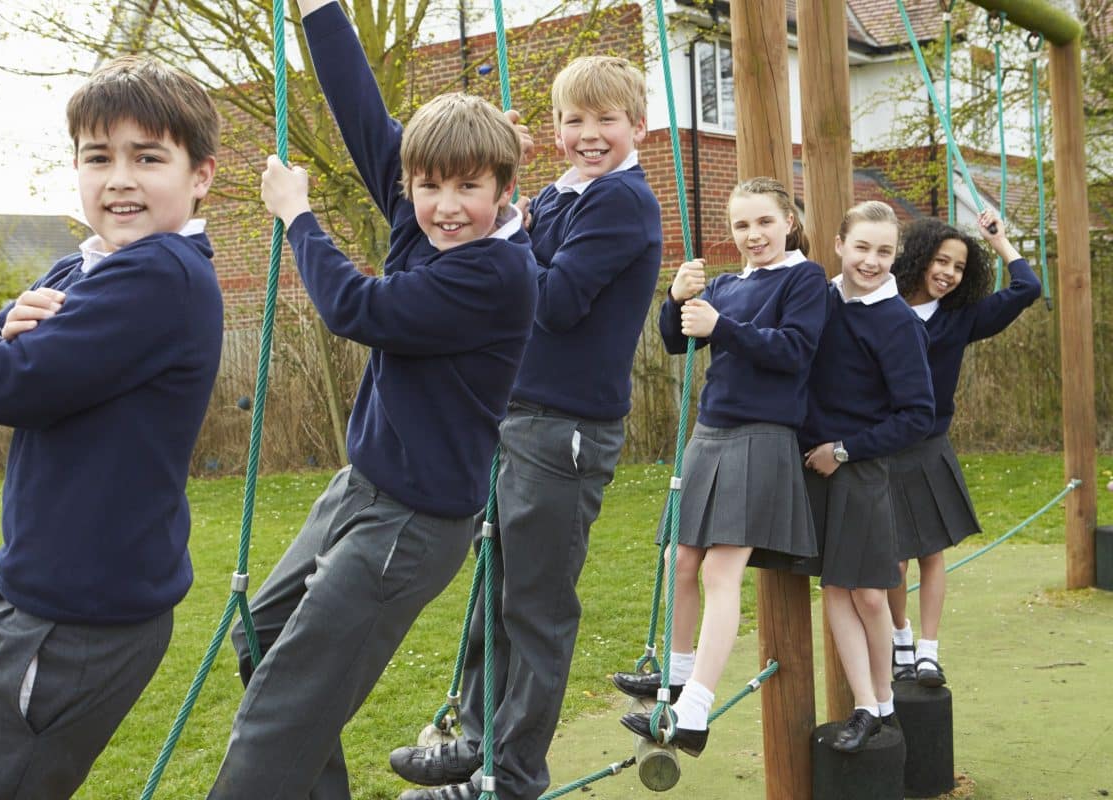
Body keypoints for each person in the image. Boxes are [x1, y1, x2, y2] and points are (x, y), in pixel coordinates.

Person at [205, 1, 538, 797]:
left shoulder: (494, 273)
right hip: (362, 488)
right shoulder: (427, 222)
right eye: (428, 185)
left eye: (469, 187)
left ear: (504, 186)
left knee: (281, 710)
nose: (446, 205)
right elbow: (361, 109)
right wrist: (320, 11)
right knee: (263, 635)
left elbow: (360, 311)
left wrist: (298, 217)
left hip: (412, 525)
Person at [0, 55, 222, 798]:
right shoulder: (72, 271)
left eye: (148, 157)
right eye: (98, 157)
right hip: (22, 591)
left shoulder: (163, 275)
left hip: (79, 619)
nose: (119, 178)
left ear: (200, 175)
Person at [388, 55, 662, 800]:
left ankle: (509, 776)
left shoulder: (620, 203)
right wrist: (510, 192)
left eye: (606, 119)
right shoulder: (560, 194)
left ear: (639, 126)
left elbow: (556, 300)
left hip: (564, 427)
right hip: (521, 415)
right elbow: (514, 255)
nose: (588, 134)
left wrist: (510, 236)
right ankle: (477, 741)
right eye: (573, 119)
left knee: (534, 607)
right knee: (494, 590)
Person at [611, 177, 826, 756]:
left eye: (763, 222)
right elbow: (679, 344)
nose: (753, 234)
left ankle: (697, 710)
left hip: (762, 437)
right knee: (679, 559)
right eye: (741, 225)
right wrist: (676, 301)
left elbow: (794, 351)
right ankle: (677, 678)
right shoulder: (727, 284)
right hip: (711, 433)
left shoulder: (805, 279)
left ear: (789, 221)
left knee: (720, 572)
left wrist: (721, 327)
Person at [799, 200, 934, 753]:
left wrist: (846, 450)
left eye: (884, 251)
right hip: (811, 467)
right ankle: (866, 704)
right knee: (835, 588)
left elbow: (918, 414)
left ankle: (882, 701)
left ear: (896, 256)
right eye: (862, 247)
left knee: (871, 596)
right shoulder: (817, 299)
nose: (871, 261)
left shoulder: (898, 322)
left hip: (859, 467)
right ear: (838, 245)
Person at [887, 209, 1041, 687]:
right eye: (940, 261)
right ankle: (901, 641)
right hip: (883, 446)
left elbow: (1027, 289)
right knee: (892, 557)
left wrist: (998, 241)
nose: (948, 274)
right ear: (918, 260)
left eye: (957, 267)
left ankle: (929, 652)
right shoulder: (880, 306)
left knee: (931, 553)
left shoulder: (960, 319)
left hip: (929, 447)